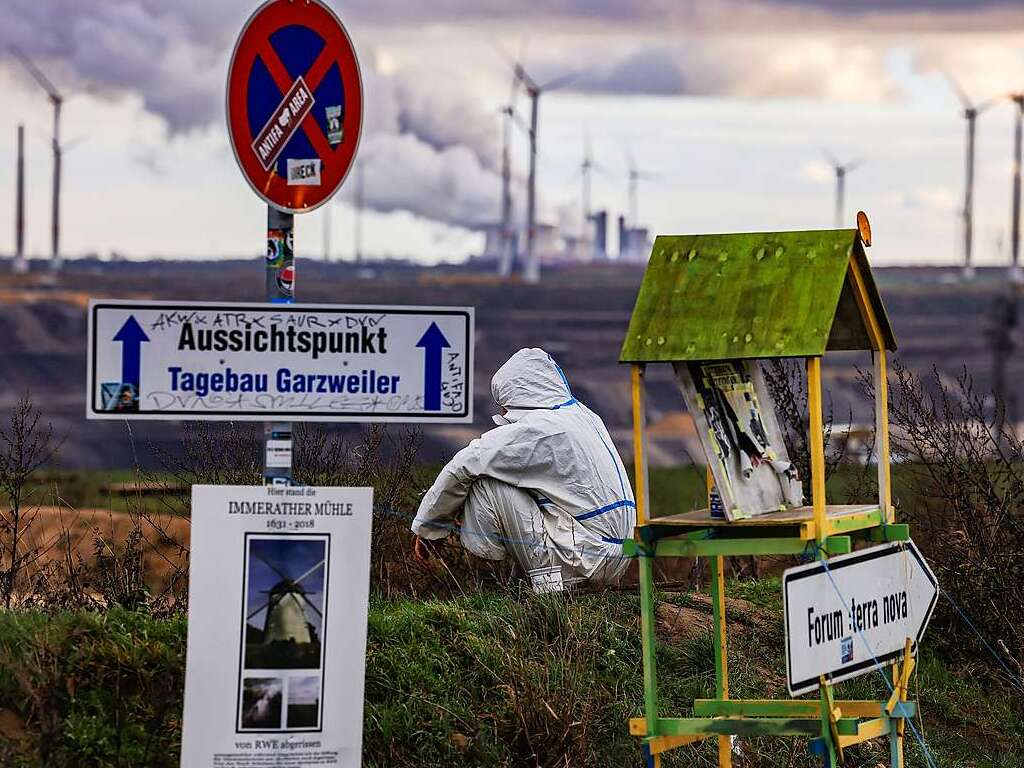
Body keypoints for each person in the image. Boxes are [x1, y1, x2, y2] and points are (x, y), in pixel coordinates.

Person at [411, 348, 635, 586]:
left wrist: (429, 530)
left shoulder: (539, 428)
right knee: (517, 480)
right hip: (614, 560)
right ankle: (521, 583)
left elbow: (463, 465)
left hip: (583, 562)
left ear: (517, 396)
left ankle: (488, 580)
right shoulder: (586, 418)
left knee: (485, 483)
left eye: (504, 405)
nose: (503, 412)